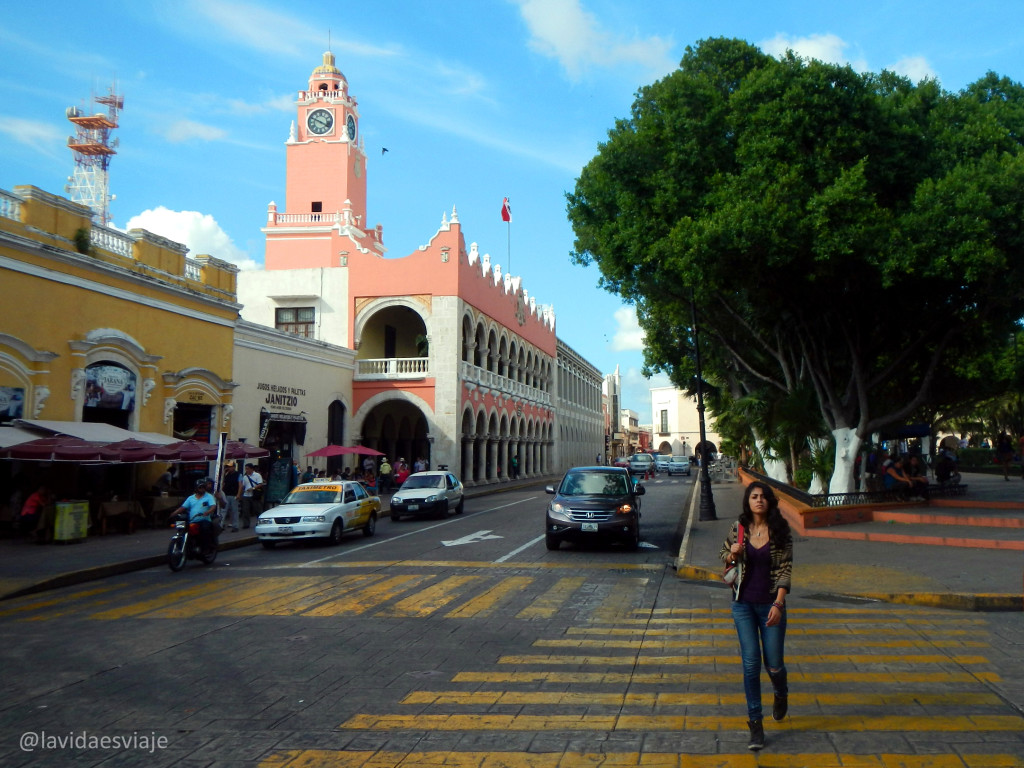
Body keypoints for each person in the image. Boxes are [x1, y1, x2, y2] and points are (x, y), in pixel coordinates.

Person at [719, 482, 793, 751]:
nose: (759, 500)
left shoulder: (781, 531)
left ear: (769, 501)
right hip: (743, 606)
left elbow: (785, 569)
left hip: (771, 605)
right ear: (747, 501)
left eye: (763, 497)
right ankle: (755, 725)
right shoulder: (738, 529)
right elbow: (723, 554)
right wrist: (731, 553)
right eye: (754, 497)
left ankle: (780, 692)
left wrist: (779, 603)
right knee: (751, 664)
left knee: (774, 665)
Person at [175, 480, 218, 553]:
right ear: (196, 488)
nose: (202, 489)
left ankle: (204, 548)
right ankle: (182, 545)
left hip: (204, 520)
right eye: (200, 487)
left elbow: (213, 506)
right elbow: (182, 508)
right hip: (192, 520)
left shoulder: (209, 496)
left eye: (203, 487)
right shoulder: (190, 498)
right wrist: (173, 514)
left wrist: (208, 512)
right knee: (180, 527)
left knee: (204, 529)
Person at [236, 463, 264, 528]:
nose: (246, 470)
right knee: (245, 510)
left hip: (254, 495)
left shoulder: (257, 475)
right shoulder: (245, 477)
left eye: (248, 469)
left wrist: (253, 488)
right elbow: (242, 486)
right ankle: (246, 524)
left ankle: (260, 522)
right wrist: (240, 494)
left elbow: (260, 484)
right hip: (246, 495)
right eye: (246, 469)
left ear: (252, 469)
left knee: (257, 509)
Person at [221, 461, 241, 532]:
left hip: (234, 494)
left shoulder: (238, 474)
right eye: (228, 467)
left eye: (230, 467)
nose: (228, 468)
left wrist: (238, 494)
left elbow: (240, 485)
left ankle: (235, 526)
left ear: (234, 467)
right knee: (223, 510)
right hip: (226, 494)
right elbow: (223, 482)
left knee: (234, 511)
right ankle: (221, 524)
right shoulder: (227, 474)